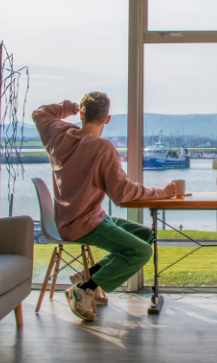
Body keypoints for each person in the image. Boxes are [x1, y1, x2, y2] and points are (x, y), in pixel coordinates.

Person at [33, 92, 176, 322]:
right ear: (107, 119)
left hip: (78, 219)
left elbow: (40, 113)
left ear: (81, 114)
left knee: (146, 234)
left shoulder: (58, 134)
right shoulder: (103, 148)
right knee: (141, 251)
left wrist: (68, 107)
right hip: (82, 224)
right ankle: (84, 289)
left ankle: (89, 275)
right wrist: (162, 193)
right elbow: (123, 194)